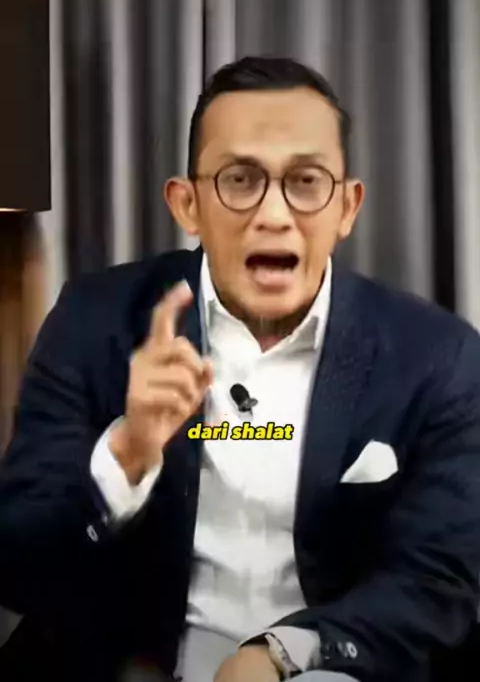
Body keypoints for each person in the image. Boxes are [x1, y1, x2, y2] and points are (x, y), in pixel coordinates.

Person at [0, 56, 480, 682]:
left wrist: (283, 653)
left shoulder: (437, 355)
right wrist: (126, 454)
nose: (274, 215)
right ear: (188, 204)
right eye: (239, 180)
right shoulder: (94, 322)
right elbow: (17, 565)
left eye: (306, 181)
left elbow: (439, 579)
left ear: (347, 207)